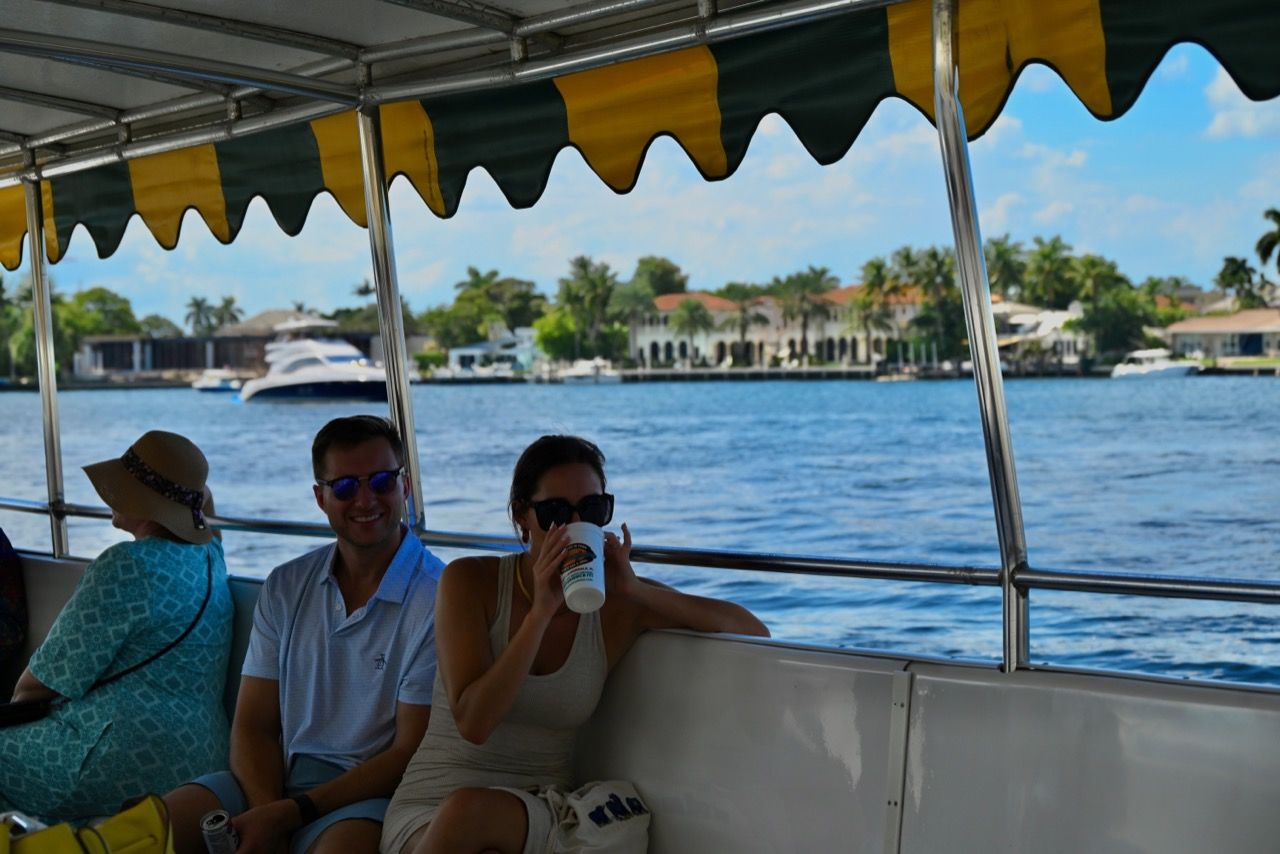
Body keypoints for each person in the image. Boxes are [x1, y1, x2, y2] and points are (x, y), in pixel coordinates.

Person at [381, 434, 769, 854]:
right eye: (555, 513)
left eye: (592, 510)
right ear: (522, 516)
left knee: (470, 814)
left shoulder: (618, 605)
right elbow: (474, 723)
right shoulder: (471, 582)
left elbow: (750, 630)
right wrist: (540, 614)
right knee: (465, 815)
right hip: (431, 806)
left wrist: (636, 590)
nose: (574, 526)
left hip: (539, 811)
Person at [166, 415, 444, 854]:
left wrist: (288, 816)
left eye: (382, 481)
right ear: (320, 497)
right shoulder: (286, 585)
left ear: (404, 487)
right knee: (155, 827)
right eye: (345, 487)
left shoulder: (436, 597)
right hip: (272, 783)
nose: (366, 499)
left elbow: (408, 751)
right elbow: (254, 726)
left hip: (365, 797)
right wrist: (270, 814)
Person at [0, 430, 233, 823]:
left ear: (148, 505)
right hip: (203, 758)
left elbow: (42, 682)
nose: (112, 496)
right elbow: (202, 496)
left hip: (120, 756)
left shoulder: (126, 565)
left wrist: (14, 715)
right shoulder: (211, 554)